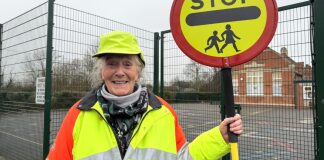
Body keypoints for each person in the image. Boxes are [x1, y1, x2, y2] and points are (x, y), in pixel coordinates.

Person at [47, 31, 243, 160]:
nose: (119, 72)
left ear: (138, 71)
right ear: (101, 71)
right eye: (111, 63)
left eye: (127, 64)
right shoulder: (78, 114)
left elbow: (183, 157)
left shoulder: (163, 112)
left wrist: (219, 137)